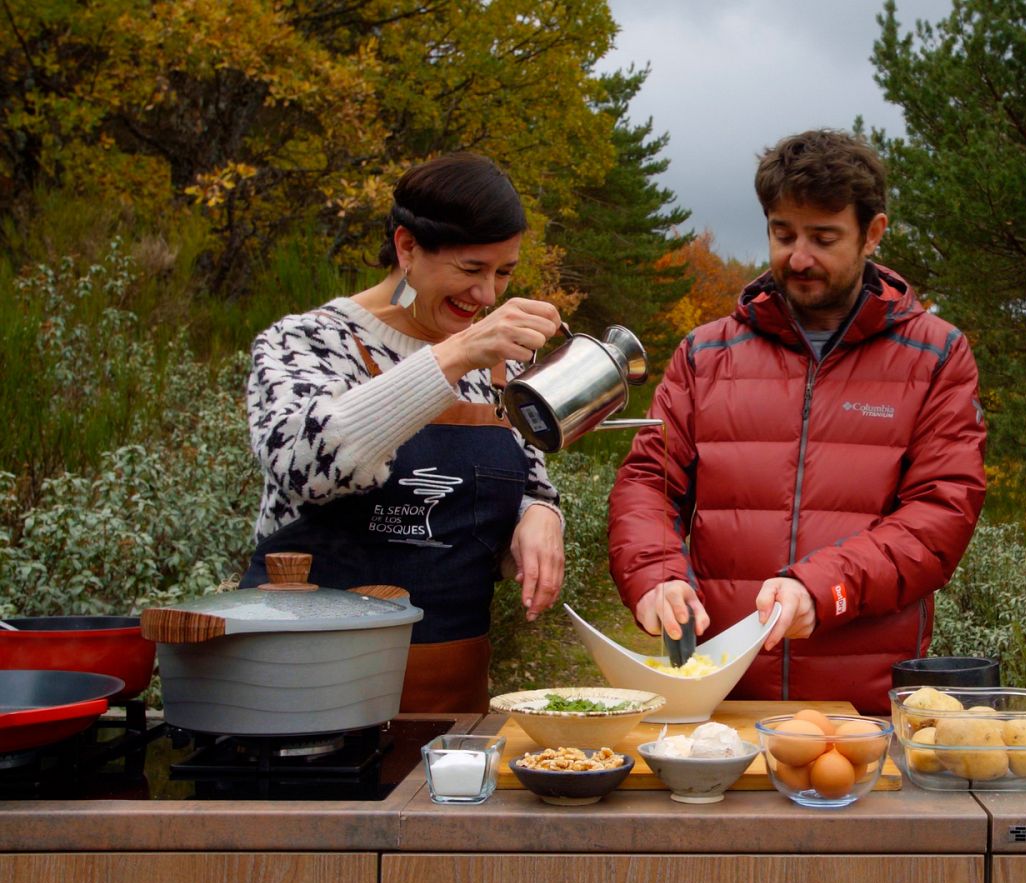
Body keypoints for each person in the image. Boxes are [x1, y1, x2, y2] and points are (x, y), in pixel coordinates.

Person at [607, 129, 987, 714]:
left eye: (823, 237)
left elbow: (940, 516)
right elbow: (647, 485)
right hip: (719, 700)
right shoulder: (705, 355)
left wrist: (825, 587)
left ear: (873, 234)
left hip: (864, 711)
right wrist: (657, 573)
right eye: (783, 234)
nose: (798, 256)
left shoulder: (935, 356)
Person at [243, 153, 566, 714]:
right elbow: (308, 466)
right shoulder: (306, 343)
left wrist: (540, 515)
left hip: (451, 703)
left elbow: (529, 482)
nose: (488, 296)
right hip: (296, 698)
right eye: (471, 270)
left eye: (504, 272)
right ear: (407, 246)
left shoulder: (502, 367)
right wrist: (457, 354)